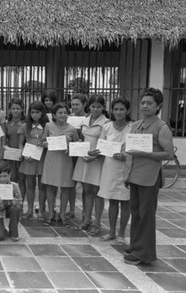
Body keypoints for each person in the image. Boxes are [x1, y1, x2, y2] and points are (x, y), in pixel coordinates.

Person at [124, 88, 174, 265]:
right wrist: (127, 174)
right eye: (143, 102)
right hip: (135, 175)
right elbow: (131, 151)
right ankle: (136, 245)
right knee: (136, 213)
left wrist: (146, 154)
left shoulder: (162, 127)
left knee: (146, 215)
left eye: (149, 103)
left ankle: (144, 253)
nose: (145, 106)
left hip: (150, 177)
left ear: (158, 106)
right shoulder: (137, 125)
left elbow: (168, 154)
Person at [72, 95, 109, 236]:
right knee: (86, 190)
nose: (95, 109)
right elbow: (81, 139)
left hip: (98, 161)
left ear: (103, 107)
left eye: (99, 106)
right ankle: (86, 219)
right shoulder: (84, 121)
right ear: (89, 106)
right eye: (93, 106)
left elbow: (106, 144)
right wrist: (81, 153)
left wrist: (95, 156)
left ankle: (97, 222)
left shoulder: (106, 123)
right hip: (84, 159)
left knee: (98, 192)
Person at [97, 97, 132, 244]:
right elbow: (101, 145)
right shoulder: (107, 127)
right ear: (111, 110)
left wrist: (125, 155)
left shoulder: (133, 127)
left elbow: (136, 148)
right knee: (112, 201)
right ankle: (111, 232)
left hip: (126, 168)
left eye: (122, 109)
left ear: (128, 111)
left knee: (125, 202)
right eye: (116, 109)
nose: (118, 112)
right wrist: (95, 152)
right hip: (110, 167)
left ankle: (122, 234)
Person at [41, 103, 79, 226]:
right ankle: (51, 213)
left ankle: (62, 214)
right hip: (51, 159)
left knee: (65, 187)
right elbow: (43, 141)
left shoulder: (72, 129)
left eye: (65, 112)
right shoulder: (48, 126)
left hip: (65, 160)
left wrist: (70, 147)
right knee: (50, 187)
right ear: (54, 115)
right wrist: (46, 144)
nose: (63, 115)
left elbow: (77, 145)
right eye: (60, 113)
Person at [18, 101, 48, 220]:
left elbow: (51, 141)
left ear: (42, 113)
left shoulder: (47, 126)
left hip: (43, 158)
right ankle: (29, 210)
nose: (35, 115)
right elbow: (20, 143)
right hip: (29, 159)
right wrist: (24, 154)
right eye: (32, 112)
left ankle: (41, 210)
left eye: (37, 112)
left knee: (42, 186)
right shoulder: (25, 126)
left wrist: (46, 144)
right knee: (30, 185)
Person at [66, 93, 88, 219]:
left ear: (84, 105)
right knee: (71, 183)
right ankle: (72, 209)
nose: (74, 107)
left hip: (85, 153)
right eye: (72, 104)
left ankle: (86, 211)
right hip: (72, 153)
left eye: (77, 104)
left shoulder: (89, 118)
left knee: (85, 183)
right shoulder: (68, 118)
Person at [4, 97, 26, 201]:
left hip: (23, 156)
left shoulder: (26, 122)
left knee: (22, 180)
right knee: (10, 180)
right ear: (10, 110)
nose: (15, 111)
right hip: (10, 156)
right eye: (13, 108)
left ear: (22, 109)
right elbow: (4, 139)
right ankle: (10, 202)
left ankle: (20, 203)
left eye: (18, 108)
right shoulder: (7, 123)